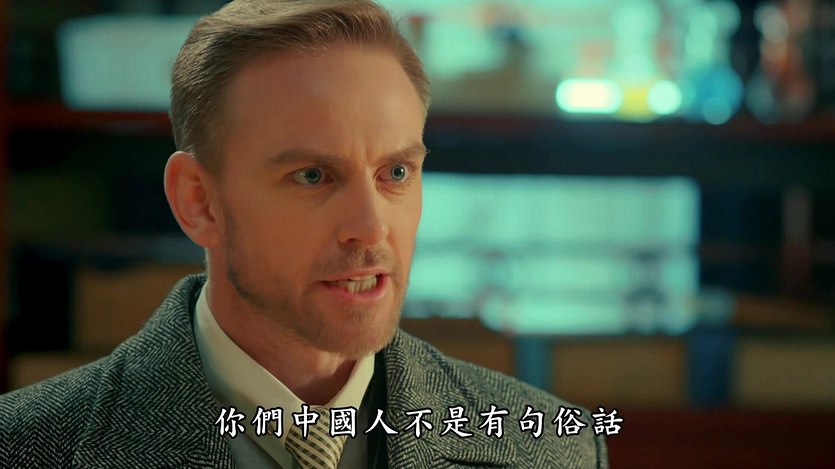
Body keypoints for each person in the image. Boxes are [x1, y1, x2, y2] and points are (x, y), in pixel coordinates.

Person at [0, 1, 608, 467]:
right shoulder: (26, 447)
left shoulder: (553, 449)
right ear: (199, 201)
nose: (371, 227)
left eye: (396, 173)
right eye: (313, 176)